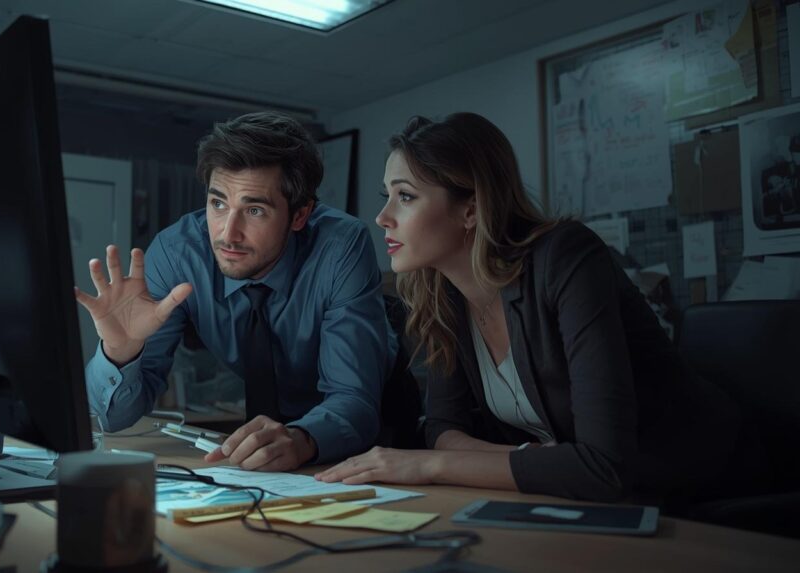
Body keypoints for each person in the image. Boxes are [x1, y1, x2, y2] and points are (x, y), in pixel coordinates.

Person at [315, 113, 743, 503]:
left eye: (405, 197)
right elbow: (442, 428)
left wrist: (429, 465)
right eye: (386, 196)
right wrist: (524, 456)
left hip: (700, 490)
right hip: (580, 498)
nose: (382, 217)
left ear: (471, 209)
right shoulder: (441, 294)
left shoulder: (566, 258)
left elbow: (604, 465)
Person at [76, 111, 396, 472]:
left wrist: (303, 437)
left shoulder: (341, 246)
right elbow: (112, 420)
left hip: (365, 425)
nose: (228, 233)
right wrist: (120, 353)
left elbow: (354, 397)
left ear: (300, 215)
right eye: (218, 204)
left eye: (254, 209)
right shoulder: (177, 252)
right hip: (279, 446)